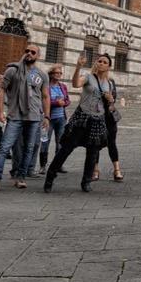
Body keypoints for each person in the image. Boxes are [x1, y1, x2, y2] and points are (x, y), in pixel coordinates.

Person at [45, 52, 118, 193]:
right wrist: (78, 66)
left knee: (92, 152)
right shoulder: (89, 77)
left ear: (109, 67)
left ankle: (86, 181)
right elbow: (76, 83)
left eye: (104, 62)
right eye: (99, 61)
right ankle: (50, 176)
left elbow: (109, 106)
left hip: (98, 120)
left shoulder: (109, 84)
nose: (101, 63)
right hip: (82, 118)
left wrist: (111, 100)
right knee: (66, 148)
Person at [0, 43, 49, 192]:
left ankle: (21, 177)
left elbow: (46, 96)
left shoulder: (42, 75)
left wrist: (47, 116)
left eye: (33, 52)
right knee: (4, 147)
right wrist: (0, 112)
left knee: (29, 148)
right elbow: (1, 90)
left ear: (38, 56)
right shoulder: (13, 70)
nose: (29, 53)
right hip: (15, 115)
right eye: (27, 51)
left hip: (34, 116)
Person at [38, 65, 71, 171]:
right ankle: (43, 166)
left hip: (61, 118)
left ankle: (58, 165)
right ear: (51, 74)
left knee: (60, 142)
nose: (59, 74)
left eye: (60, 73)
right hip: (48, 119)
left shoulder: (63, 86)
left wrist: (64, 103)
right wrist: (56, 103)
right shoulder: (46, 86)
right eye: (56, 73)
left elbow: (68, 100)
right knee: (45, 142)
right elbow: (43, 101)